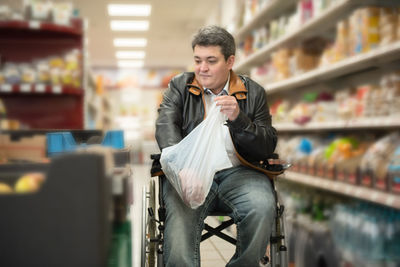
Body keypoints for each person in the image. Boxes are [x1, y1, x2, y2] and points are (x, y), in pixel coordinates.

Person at [155, 25, 278, 267]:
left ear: (230, 61)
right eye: (198, 60)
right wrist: (182, 167)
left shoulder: (253, 93)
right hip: (191, 173)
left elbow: (266, 144)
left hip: (241, 173)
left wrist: (239, 119)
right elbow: (165, 124)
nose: (202, 68)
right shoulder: (179, 87)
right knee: (178, 224)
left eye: (211, 61)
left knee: (262, 205)